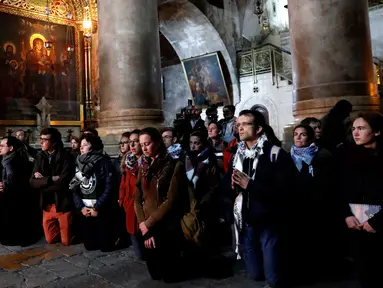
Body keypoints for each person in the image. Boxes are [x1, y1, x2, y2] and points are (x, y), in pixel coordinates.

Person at [230, 110, 294, 288]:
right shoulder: (238, 155)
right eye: (238, 124)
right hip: (246, 220)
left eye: (245, 124)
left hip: (269, 221)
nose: (239, 128)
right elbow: (227, 187)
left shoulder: (275, 154)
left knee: (273, 279)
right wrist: (230, 186)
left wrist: (250, 185)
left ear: (258, 129)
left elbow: (285, 191)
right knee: (255, 274)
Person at [134, 127, 189, 283]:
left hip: (165, 224)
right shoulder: (143, 166)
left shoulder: (174, 165)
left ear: (157, 142)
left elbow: (171, 200)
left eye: (148, 143)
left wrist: (149, 223)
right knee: (155, 274)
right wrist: (143, 224)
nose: (144, 147)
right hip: (146, 224)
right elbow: (137, 198)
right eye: (141, 144)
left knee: (169, 276)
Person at [340, 112, 383, 288]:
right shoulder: (347, 157)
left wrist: (377, 221)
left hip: (378, 223)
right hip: (357, 224)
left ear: (377, 131)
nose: (355, 133)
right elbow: (340, 190)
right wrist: (347, 216)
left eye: (361, 128)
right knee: (365, 274)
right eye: (354, 129)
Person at [290, 124, 337, 284]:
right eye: (296, 134)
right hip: (297, 205)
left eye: (302, 135)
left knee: (317, 240)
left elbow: (326, 183)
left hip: (316, 204)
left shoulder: (321, 156)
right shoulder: (289, 156)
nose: (298, 137)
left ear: (309, 138)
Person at [71, 134, 117, 252]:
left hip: (101, 208)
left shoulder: (104, 162)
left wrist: (97, 207)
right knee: (90, 246)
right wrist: (81, 207)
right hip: (86, 209)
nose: (81, 148)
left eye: (85, 145)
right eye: (81, 145)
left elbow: (109, 187)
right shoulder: (79, 163)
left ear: (93, 147)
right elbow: (74, 188)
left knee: (106, 247)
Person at [30, 128, 75, 246]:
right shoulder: (40, 156)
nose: (41, 142)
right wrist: (51, 179)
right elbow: (32, 182)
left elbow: (63, 183)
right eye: (41, 139)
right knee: (50, 240)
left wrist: (43, 182)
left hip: (62, 202)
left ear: (54, 142)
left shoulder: (66, 156)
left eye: (45, 140)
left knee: (66, 242)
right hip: (47, 204)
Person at [0, 136, 39, 246]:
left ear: (11, 148)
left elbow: (23, 182)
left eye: (2, 146)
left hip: (20, 197)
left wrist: (7, 187)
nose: (0, 148)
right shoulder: (3, 160)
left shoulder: (20, 161)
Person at [119, 130, 144, 259]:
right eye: (130, 142)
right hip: (129, 206)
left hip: (143, 208)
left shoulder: (146, 162)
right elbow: (123, 184)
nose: (132, 145)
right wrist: (122, 200)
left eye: (136, 142)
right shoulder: (128, 161)